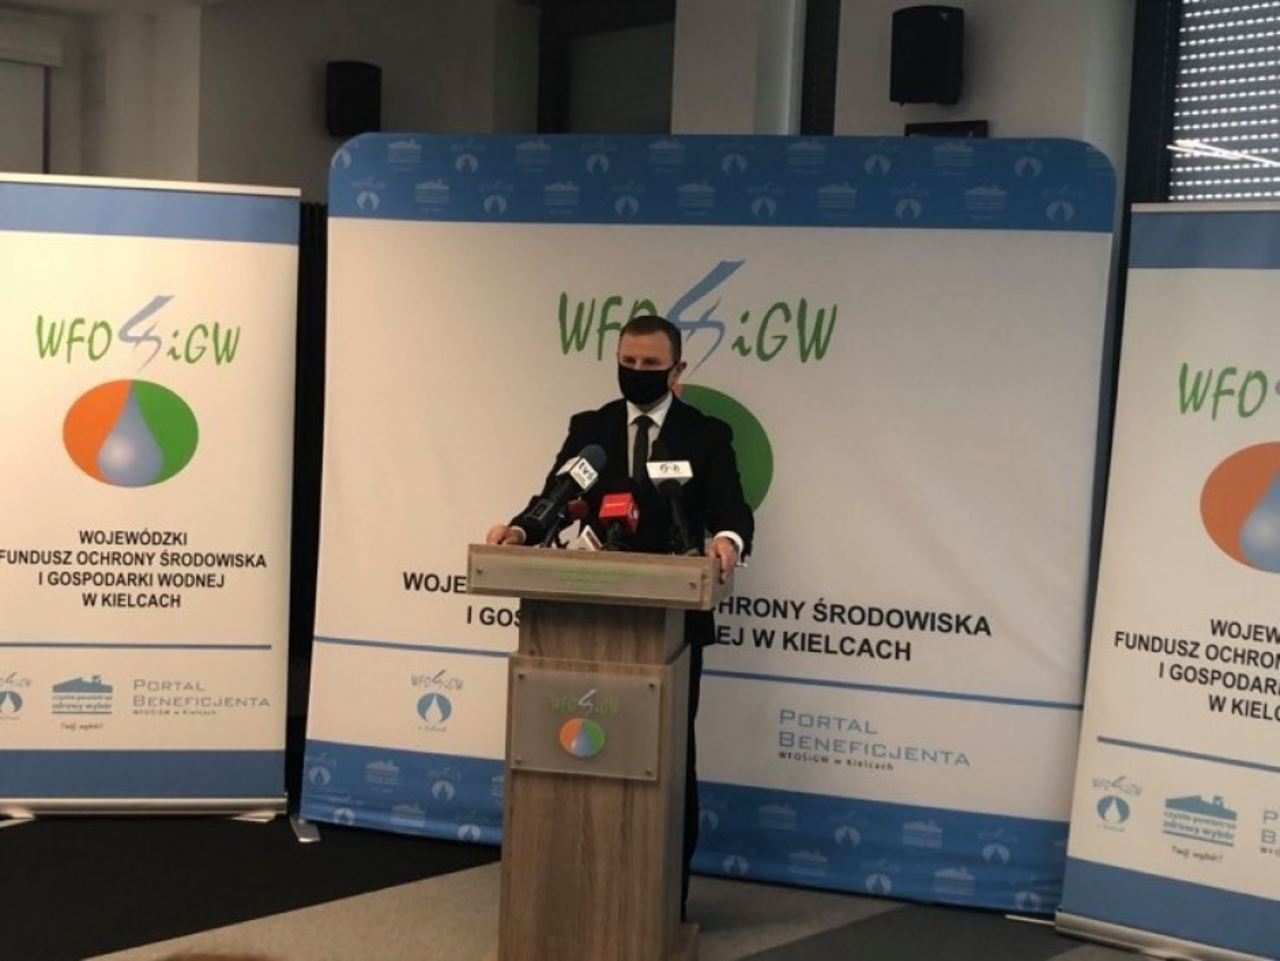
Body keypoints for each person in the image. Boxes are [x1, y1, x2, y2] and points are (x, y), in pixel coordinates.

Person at [487, 313, 754, 919]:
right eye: (627, 363)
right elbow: (554, 499)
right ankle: (573, 902)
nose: (636, 373)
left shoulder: (706, 434)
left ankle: (663, 908)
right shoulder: (592, 429)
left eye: (649, 365)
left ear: (677, 369)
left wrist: (727, 541)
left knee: (669, 757)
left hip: (672, 619)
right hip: (587, 610)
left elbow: (733, 509)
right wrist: (522, 530)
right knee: (574, 756)